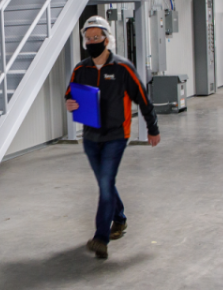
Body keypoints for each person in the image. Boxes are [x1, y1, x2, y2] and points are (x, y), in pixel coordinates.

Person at [65, 16, 161, 259]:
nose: (91, 41)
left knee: (106, 184)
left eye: (96, 37)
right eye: (88, 38)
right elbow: (69, 94)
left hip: (116, 136)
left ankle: (100, 238)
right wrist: (69, 102)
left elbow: (143, 98)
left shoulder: (122, 68)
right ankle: (119, 218)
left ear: (107, 40)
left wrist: (153, 128)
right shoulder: (81, 68)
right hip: (90, 137)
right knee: (105, 183)